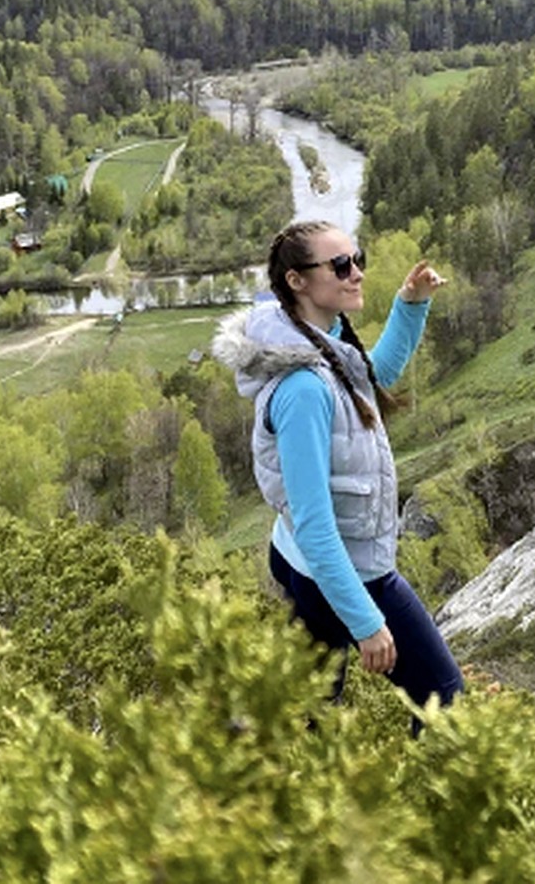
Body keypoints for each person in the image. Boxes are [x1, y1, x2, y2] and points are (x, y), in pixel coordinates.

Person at [213, 220, 463, 728]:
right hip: (342, 567)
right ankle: (435, 804)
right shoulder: (303, 389)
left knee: (305, 704)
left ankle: (241, 767)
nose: (357, 274)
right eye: (341, 265)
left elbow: (376, 377)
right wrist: (367, 622)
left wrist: (410, 304)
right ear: (297, 282)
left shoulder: (318, 344)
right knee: (444, 698)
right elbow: (315, 523)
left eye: (358, 259)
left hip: (305, 564)